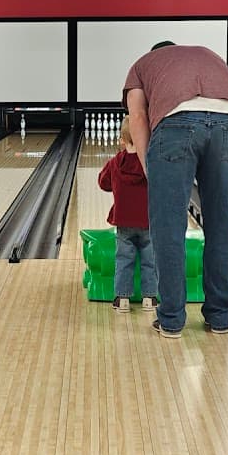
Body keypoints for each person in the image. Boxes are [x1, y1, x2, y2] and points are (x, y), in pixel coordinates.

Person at [123, 42, 228, 337]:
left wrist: (149, 166)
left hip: (176, 124)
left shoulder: (141, 65)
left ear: (155, 54)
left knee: (169, 228)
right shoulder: (208, 54)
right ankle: (219, 318)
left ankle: (171, 319)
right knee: (220, 225)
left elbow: (138, 117)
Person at [98, 115, 158, 313]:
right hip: (148, 222)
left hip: (123, 222)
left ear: (122, 140)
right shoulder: (150, 162)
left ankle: (122, 299)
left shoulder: (115, 163)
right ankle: (149, 298)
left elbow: (103, 183)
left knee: (124, 259)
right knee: (150, 260)